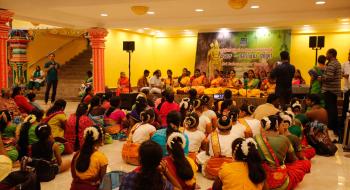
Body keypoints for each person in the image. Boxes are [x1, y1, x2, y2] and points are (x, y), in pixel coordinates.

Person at [257, 115, 311, 190]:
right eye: (282, 125)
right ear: (277, 127)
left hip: (260, 179)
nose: (284, 127)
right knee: (304, 164)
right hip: (279, 182)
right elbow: (293, 159)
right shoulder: (284, 139)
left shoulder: (256, 138)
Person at [203, 115, 239, 179]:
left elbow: (207, 153)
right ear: (230, 127)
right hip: (230, 168)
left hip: (213, 170)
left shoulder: (211, 135)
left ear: (218, 127)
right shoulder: (236, 136)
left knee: (202, 155)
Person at [320, 48, 342, 138]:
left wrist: (321, 78)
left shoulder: (333, 64)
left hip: (330, 89)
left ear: (331, 54)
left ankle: (331, 127)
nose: (326, 55)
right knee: (331, 108)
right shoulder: (336, 63)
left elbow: (329, 77)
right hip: (333, 89)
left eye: (327, 53)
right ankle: (333, 127)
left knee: (331, 109)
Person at [341, 51, 350, 141]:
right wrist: (345, 75)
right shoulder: (344, 64)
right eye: (349, 54)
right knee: (345, 109)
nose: (349, 56)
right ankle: (344, 126)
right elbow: (340, 74)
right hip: (347, 89)